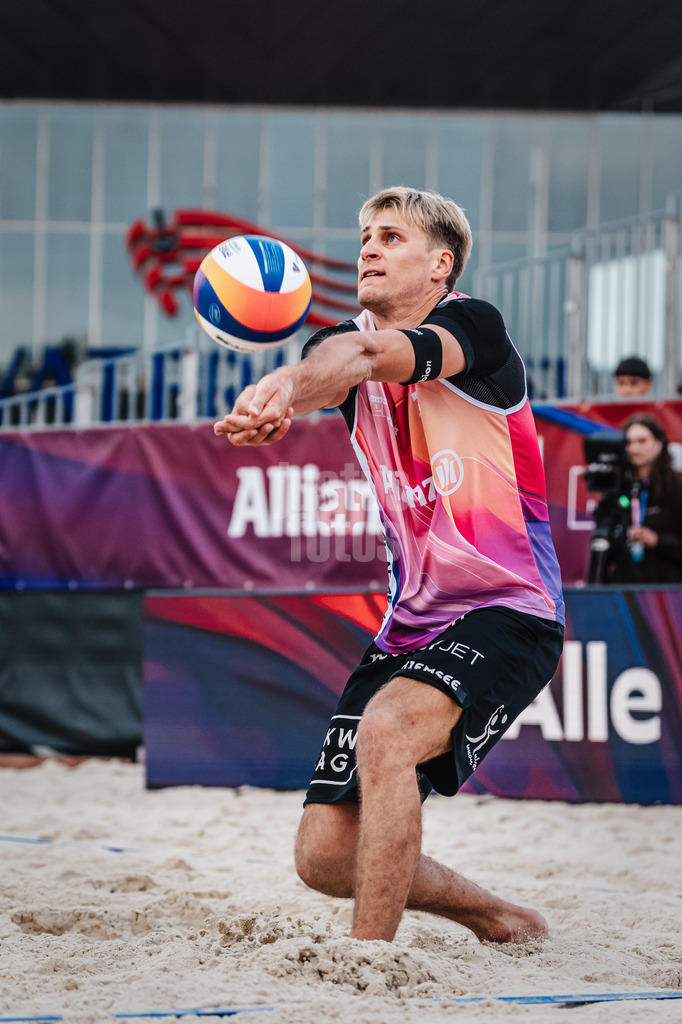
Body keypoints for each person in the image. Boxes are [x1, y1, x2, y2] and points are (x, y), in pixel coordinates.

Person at [215, 186, 565, 945]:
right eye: (366, 235)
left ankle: (369, 966)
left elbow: (376, 357)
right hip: (409, 622)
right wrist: (284, 388)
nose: (369, 248)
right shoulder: (347, 338)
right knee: (323, 857)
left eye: (392, 238)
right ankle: (499, 917)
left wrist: (283, 382)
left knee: (387, 735)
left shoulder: (476, 327)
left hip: (511, 608)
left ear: (441, 264)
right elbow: (339, 362)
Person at [595, 413, 682, 584]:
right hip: (624, 588)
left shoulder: (676, 489)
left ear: (658, 443)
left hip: (667, 590)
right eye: (629, 442)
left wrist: (657, 540)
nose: (634, 448)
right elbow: (604, 544)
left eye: (642, 441)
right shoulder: (616, 490)